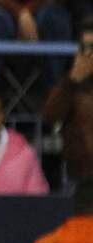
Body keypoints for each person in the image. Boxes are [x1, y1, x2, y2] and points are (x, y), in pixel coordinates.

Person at [0, 0, 73, 96]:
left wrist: (27, 11)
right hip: (2, 10)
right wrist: (20, 12)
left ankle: (56, 100)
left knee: (54, 18)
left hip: (42, 11)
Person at [41, 16, 93, 183]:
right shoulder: (70, 86)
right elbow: (49, 117)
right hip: (83, 180)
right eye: (87, 48)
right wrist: (71, 82)